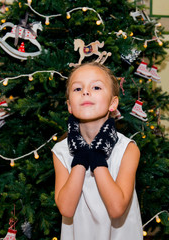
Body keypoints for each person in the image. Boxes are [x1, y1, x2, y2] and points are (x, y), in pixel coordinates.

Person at [51, 62, 143, 240]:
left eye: (96, 87)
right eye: (78, 88)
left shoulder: (127, 149)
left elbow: (116, 209)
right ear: (70, 106)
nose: (86, 91)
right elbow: (66, 208)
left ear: (112, 103)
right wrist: (80, 155)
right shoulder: (61, 151)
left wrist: (97, 155)